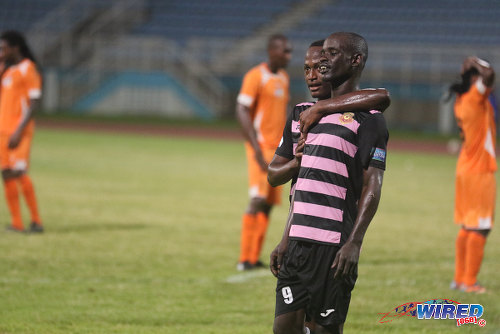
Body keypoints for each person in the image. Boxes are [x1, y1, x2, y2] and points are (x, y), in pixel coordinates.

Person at [270, 32, 389, 334]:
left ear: (356, 60)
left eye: (331, 54)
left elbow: (371, 186)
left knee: (324, 329)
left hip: (333, 246)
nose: (322, 61)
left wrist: (355, 243)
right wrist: (286, 237)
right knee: (283, 329)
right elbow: (300, 185)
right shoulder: (301, 114)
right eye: (322, 54)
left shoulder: (369, 120)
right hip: (298, 244)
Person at [236, 34, 292, 270]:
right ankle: (243, 258)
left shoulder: (284, 78)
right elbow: (241, 109)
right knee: (257, 200)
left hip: (277, 150)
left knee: (268, 203)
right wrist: (257, 150)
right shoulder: (255, 76)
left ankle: (253, 258)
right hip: (260, 147)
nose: (288, 55)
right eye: (285, 51)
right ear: (272, 51)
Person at [449, 56, 496, 294]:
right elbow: (490, 75)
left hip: (465, 168)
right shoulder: (475, 98)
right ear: (475, 79)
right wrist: (476, 62)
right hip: (479, 170)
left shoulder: (461, 100)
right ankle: (469, 282)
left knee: (469, 225)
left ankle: (459, 279)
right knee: (481, 227)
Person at [0, 30, 43, 233]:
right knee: (7, 174)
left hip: (19, 131)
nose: (0, 52)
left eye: (3, 48)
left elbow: (34, 102)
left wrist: (19, 130)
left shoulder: (29, 69)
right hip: (2, 131)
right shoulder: (7, 72)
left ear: (15, 48)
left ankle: (36, 221)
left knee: (19, 172)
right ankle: (17, 222)